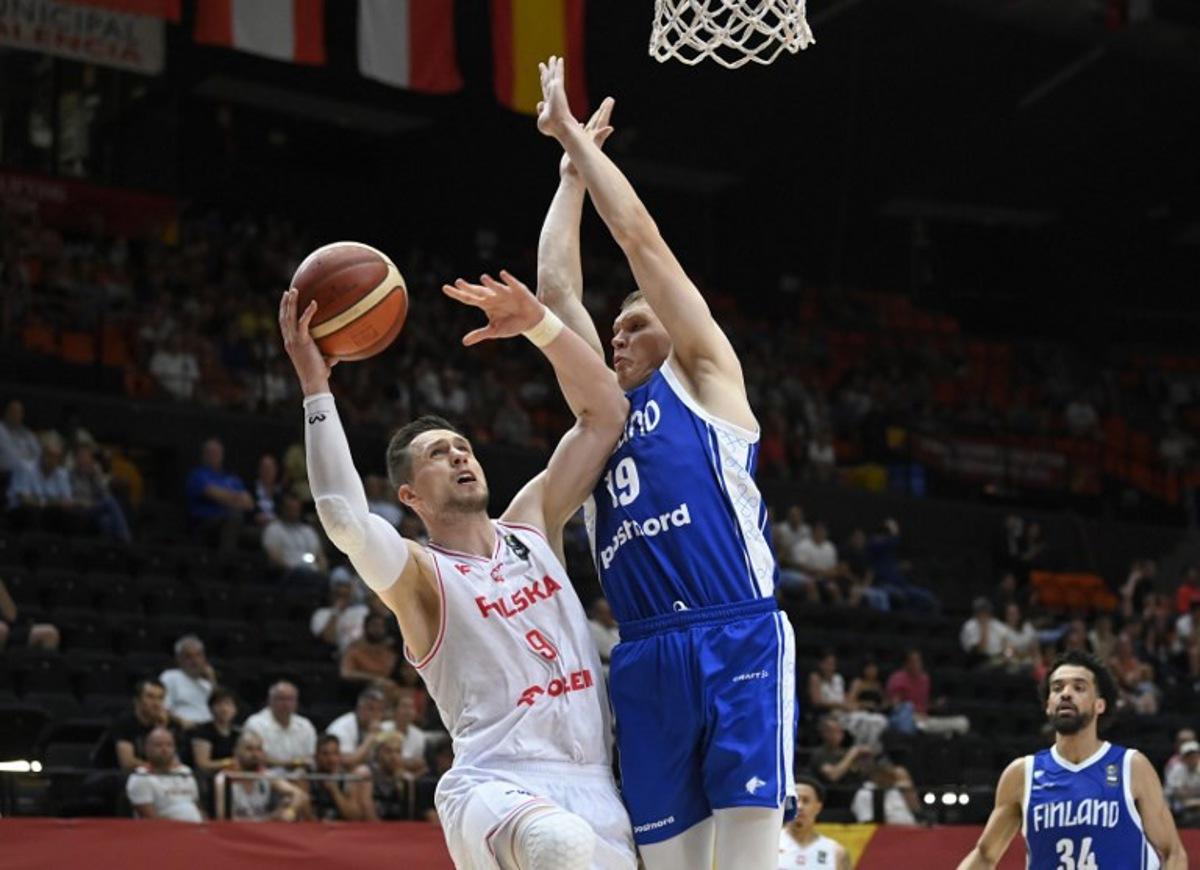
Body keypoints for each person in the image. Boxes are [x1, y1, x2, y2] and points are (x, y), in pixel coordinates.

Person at [280, 242, 636, 869]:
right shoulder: (419, 574)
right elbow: (342, 515)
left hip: (597, 789)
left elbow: (606, 414)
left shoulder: (533, 524)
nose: (459, 456)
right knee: (558, 845)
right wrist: (315, 384)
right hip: (497, 784)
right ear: (411, 495)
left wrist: (540, 325)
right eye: (438, 454)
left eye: (462, 446)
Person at [536, 58, 795, 868]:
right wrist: (570, 173)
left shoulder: (709, 382)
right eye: (613, 328)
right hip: (644, 651)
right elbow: (553, 285)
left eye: (635, 322)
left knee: (747, 859)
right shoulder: (599, 415)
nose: (617, 333)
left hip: (736, 634)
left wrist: (584, 139)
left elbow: (640, 239)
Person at [957, 650, 1186, 869]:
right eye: (1057, 688)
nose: (1066, 693)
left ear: (1100, 705)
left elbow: (1172, 853)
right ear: (1048, 705)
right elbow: (985, 855)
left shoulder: (1131, 766)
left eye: (1079, 687)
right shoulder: (1022, 774)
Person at [219, 731, 310, 822]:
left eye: (259, 749)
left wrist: (290, 811)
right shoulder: (223, 779)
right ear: (236, 751)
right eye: (249, 749)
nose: (255, 754)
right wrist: (271, 818)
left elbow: (298, 794)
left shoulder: (266, 776)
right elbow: (221, 818)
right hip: (232, 832)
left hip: (262, 831)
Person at [807, 650, 887, 747]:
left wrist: (857, 705)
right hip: (828, 714)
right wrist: (840, 705)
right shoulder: (815, 678)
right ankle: (858, 748)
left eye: (833, 664)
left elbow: (844, 698)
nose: (831, 667)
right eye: (828, 664)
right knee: (862, 721)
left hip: (844, 712)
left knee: (879, 720)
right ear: (820, 664)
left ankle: (870, 748)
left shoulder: (838, 678)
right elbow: (816, 701)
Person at [186, 437, 253, 553]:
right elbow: (212, 494)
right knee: (234, 516)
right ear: (204, 455)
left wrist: (225, 497)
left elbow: (249, 504)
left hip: (235, 523)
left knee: (266, 533)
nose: (215, 455)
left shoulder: (232, 478)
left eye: (218, 452)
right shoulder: (197, 475)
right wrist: (235, 498)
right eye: (211, 452)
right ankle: (226, 563)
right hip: (205, 523)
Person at [126, 727, 204, 822]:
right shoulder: (140, 777)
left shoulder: (185, 772)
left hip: (197, 830)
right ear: (146, 748)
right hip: (165, 832)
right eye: (158, 745)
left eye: (169, 745)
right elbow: (150, 819)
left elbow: (197, 806)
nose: (164, 749)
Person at [885, 650, 969, 737]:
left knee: (963, 722)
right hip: (908, 720)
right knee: (925, 727)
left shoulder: (924, 679)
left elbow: (923, 706)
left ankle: (943, 733)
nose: (917, 664)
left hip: (925, 719)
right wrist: (913, 715)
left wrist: (935, 705)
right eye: (913, 661)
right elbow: (896, 707)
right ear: (906, 664)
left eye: (919, 661)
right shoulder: (897, 679)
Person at [105, 678, 181, 772]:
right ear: (137, 700)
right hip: (113, 775)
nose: (156, 703)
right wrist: (159, 768)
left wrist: (162, 729)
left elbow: (174, 761)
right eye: (150, 697)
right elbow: (127, 763)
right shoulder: (124, 722)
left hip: (151, 775)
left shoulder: (168, 724)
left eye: (160, 698)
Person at [777, 776, 850, 869]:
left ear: (818, 807)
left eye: (806, 801)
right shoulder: (770, 845)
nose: (799, 806)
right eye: (795, 800)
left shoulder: (835, 852)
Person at [243, 681, 318, 771]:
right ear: (270, 701)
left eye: (290, 699)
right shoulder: (255, 723)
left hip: (300, 778)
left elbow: (311, 756)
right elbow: (254, 758)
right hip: (266, 777)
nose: (286, 704)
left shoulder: (305, 725)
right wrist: (288, 764)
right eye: (281, 699)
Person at [262, 492, 329, 584]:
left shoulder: (308, 531)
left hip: (312, 572)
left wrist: (322, 569)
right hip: (288, 573)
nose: (293, 512)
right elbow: (274, 557)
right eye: (290, 509)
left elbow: (320, 557)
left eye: (296, 509)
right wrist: (291, 569)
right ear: (283, 509)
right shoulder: (274, 529)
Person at [308, 734, 368, 821]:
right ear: (316, 757)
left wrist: (335, 790)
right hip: (313, 828)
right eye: (325, 754)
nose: (331, 759)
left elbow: (355, 817)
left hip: (341, 830)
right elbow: (305, 814)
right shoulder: (308, 777)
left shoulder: (347, 778)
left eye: (335, 753)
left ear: (340, 756)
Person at [160, 635, 216, 728]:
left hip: (210, 728)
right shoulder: (170, 677)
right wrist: (180, 721)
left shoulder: (207, 683)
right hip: (183, 727)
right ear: (179, 659)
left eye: (199, 655)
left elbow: (220, 706)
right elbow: (163, 708)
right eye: (188, 656)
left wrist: (212, 679)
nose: (195, 661)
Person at [325, 686, 389, 767]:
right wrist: (371, 736)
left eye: (380, 710)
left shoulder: (381, 727)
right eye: (371, 709)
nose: (376, 714)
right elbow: (347, 762)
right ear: (359, 708)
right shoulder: (342, 727)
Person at [311, 573, 369, 654]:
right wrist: (336, 611)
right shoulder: (321, 614)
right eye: (339, 595)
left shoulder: (362, 610)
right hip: (338, 655)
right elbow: (329, 638)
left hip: (365, 651)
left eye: (345, 595)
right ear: (331, 595)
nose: (342, 599)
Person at [190, 686, 241, 775]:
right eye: (219, 704)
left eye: (228, 704)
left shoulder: (238, 734)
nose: (224, 709)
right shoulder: (203, 732)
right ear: (211, 708)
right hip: (209, 778)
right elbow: (202, 764)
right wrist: (228, 763)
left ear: (235, 709)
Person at [0, 577, 59, 652]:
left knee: (50, 633)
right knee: (1, 629)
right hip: (2, 628)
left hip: (12, 626)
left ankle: (42, 663)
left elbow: (12, 615)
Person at [339, 612, 398, 686]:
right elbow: (346, 673)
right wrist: (374, 679)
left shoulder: (390, 649)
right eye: (374, 625)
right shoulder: (355, 648)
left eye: (381, 626)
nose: (378, 629)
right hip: (356, 688)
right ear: (366, 627)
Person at [1165, 740, 1200, 827]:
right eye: (1189, 756)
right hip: (1178, 805)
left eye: (1194, 755)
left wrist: (1189, 792)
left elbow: (1184, 792)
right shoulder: (1177, 770)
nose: (1192, 759)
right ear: (1183, 758)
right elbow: (1178, 793)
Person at [0, 398, 40, 473]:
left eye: (19, 412)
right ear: (6, 412)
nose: (15, 415)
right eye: (13, 411)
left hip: (28, 474)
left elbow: (38, 454)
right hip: (5, 475)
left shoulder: (27, 433)